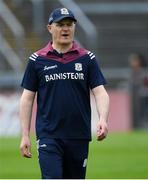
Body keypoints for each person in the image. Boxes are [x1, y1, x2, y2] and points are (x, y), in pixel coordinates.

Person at [19, 7, 110, 179]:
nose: (65, 29)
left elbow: (100, 92)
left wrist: (103, 119)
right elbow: (27, 98)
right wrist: (24, 135)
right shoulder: (37, 60)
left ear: (74, 27)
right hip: (49, 136)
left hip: (79, 136)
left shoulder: (87, 59)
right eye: (60, 24)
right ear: (50, 28)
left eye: (69, 24)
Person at [129, 53, 148, 128]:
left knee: (145, 112)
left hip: (145, 96)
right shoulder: (134, 72)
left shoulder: (144, 71)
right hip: (138, 96)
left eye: (134, 61)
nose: (131, 63)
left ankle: (145, 126)